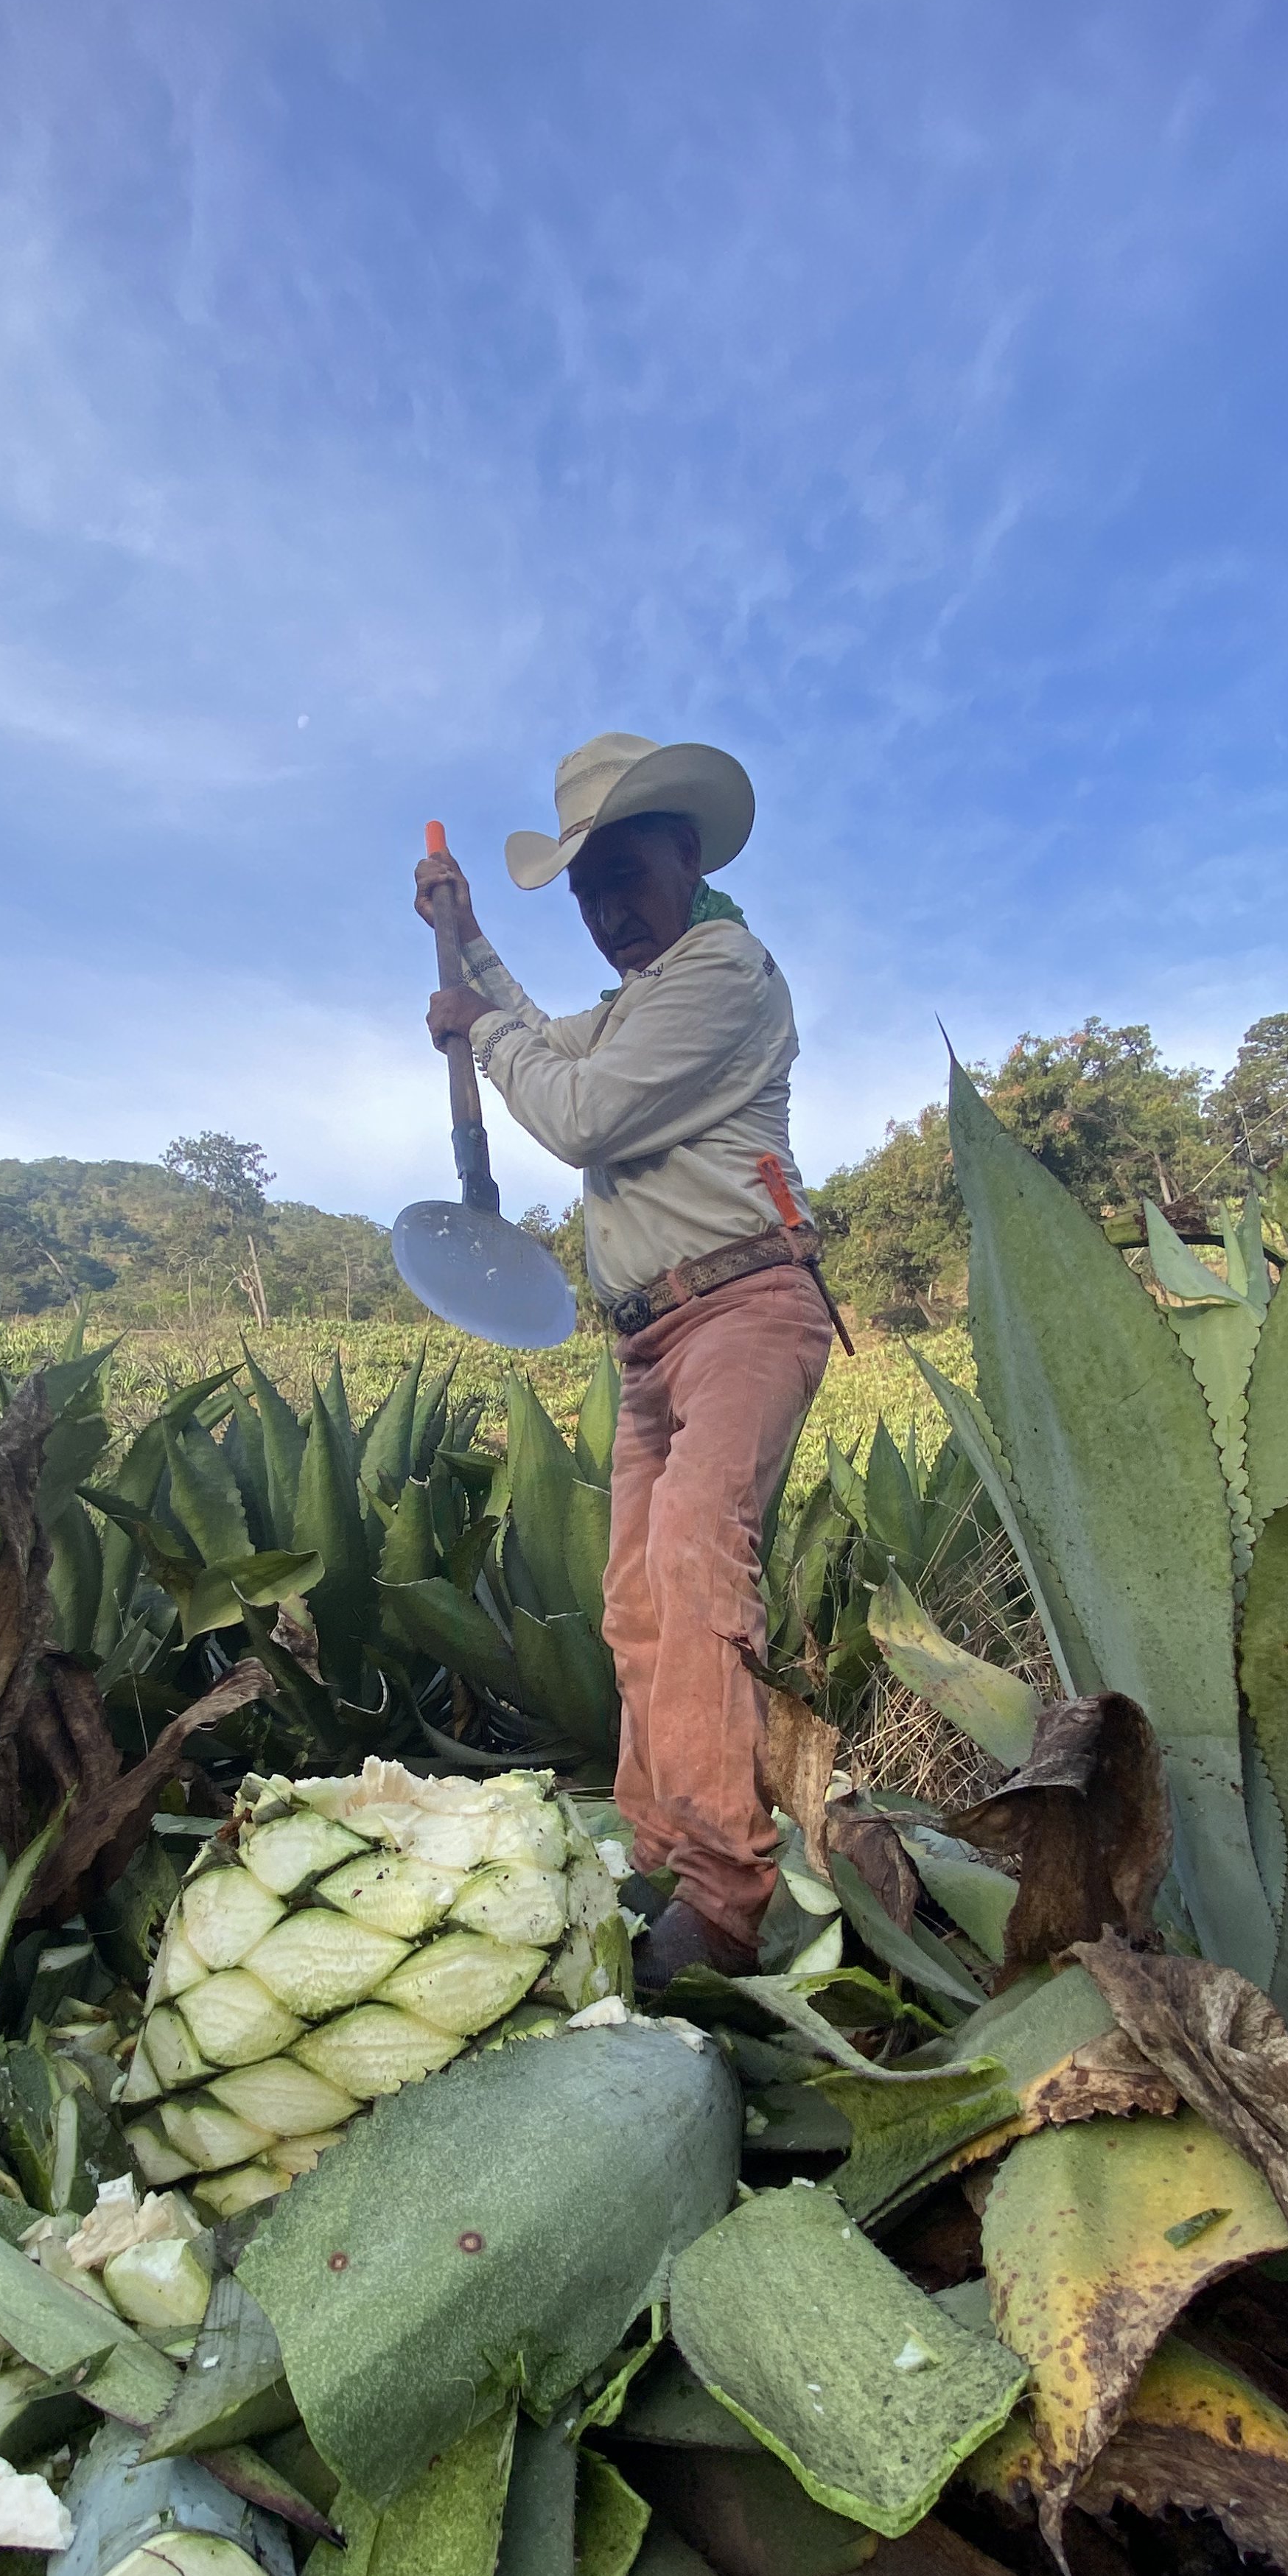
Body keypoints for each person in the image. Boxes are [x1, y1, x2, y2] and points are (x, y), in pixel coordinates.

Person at [416, 732, 835, 1989]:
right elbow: (559, 1042)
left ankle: (722, 1899)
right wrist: (471, 939)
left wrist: (477, 1026)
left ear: (686, 854)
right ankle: (660, 1854)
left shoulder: (724, 973)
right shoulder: (635, 1003)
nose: (605, 914)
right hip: (650, 1339)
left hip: (745, 1308)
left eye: (622, 877)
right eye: (585, 895)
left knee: (698, 1560)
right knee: (637, 1600)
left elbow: (578, 1111)